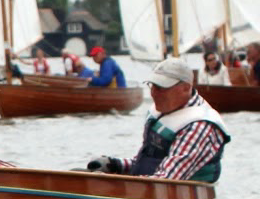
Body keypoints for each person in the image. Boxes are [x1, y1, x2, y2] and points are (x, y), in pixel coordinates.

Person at [85, 56, 230, 183]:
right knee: (81, 174)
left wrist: (116, 183)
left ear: (186, 88)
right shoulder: (162, 112)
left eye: (161, 88)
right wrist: (115, 164)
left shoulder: (199, 126)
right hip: (148, 188)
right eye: (152, 86)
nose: (153, 93)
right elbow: (146, 162)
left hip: (172, 197)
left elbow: (166, 180)